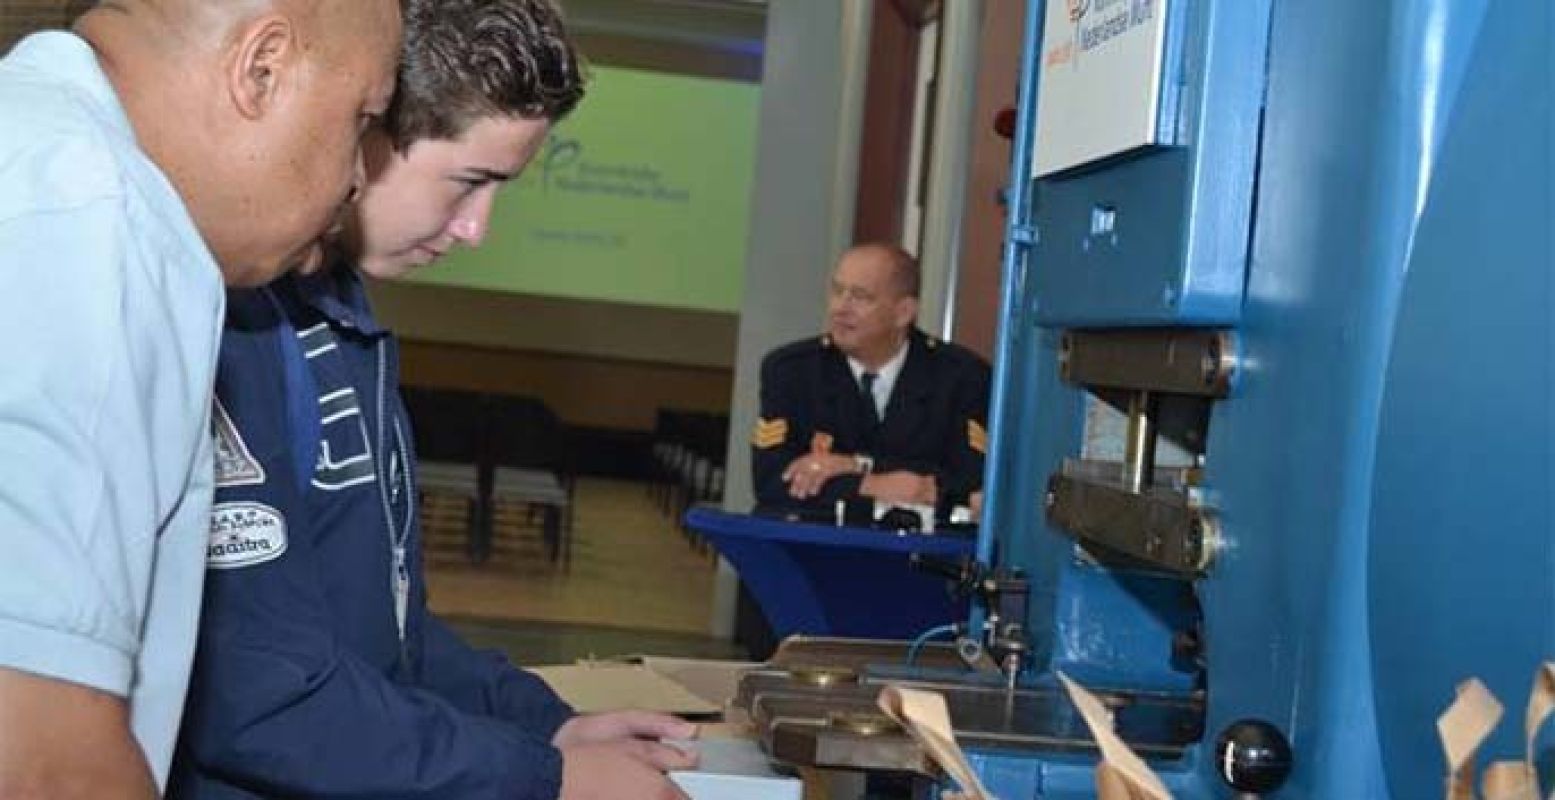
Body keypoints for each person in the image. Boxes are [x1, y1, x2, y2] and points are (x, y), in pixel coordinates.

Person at [171, 2, 696, 798]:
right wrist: (545, 778)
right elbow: (260, 698)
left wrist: (541, 719)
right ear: (368, 127)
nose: (477, 228)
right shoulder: (240, 316)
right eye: (470, 182)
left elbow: (380, 630)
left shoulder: (339, 308)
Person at [0, 0, 400, 796]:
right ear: (261, 68)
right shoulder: (91, 213)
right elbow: (36, 754)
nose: (359, 174)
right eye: (362, 119)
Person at [752, 243, 992, 521]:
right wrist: (875, 484)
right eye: (837, 291)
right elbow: (771, 481)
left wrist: (857, 465)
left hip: (915, 556)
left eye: (860, 297)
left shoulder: (961, 377)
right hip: (814, 547)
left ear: (903, 312)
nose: (841, 308)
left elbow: (968, 485)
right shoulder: (792, 370)